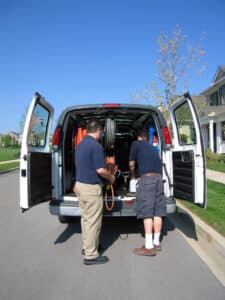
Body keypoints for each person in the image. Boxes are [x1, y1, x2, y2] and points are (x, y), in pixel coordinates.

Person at [75, 119, 115, 265]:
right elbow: (100, 170)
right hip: (91, 189)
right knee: (93, 222)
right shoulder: (96, 146)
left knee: (86, 219)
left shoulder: (80, 145)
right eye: (101, 131)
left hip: (80, 186)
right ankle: (91, 256)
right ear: (98, 130)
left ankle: (88, 247)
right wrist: (111, 178)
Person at [129, 128, 166, 256]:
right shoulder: (153, 148)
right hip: (159, 179)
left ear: (139, 137)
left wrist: (133, 175)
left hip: (147, 179)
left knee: (147, 212)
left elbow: (132, 164)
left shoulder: (135, 144)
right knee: (158, 211)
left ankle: (149, 246)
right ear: (147, 138)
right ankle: (156, 242)